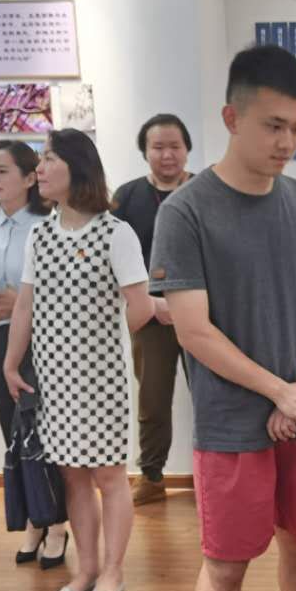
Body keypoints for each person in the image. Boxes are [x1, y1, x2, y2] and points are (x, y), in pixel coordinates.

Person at [151, 44, 296, 591]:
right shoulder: (186, 212)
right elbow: (195, 329)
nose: (287, 141)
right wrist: (278, 391)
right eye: (272, 126)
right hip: (233, 424)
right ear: (232, 117)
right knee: (225, 567)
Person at [4, 129, 155, 591]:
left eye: (49, 160)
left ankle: (113, 572)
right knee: (71, 477)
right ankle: (85, 569)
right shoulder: (40, 234)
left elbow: (140, 306)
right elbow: (25, 305)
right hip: (53, 380)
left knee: (110, 477)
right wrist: (12, 361)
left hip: (101, 381)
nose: (40, 170)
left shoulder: (116, 232)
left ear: (77, 167)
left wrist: (99, 346)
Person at [0, 139, 67, 566]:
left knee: (48, 432)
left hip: (43, 342)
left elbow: (66, 293)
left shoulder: (51, 226)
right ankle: (33, 521)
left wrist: (23, 307)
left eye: (3, 170)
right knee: (13, 431)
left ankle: (58, 522)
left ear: (29, 178)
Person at [111, 113, 194, 506]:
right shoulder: (125, 198)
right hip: (149, 316)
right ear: (145, 151)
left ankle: (213, 476)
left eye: (174, 146)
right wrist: (152, 303)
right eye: (158, 147)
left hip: (203, 315)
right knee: (153, 398)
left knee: (214, 397)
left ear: (187, 149)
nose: (167, 154)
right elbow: (112, 259)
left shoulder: (206, 191)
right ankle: (152, 476)